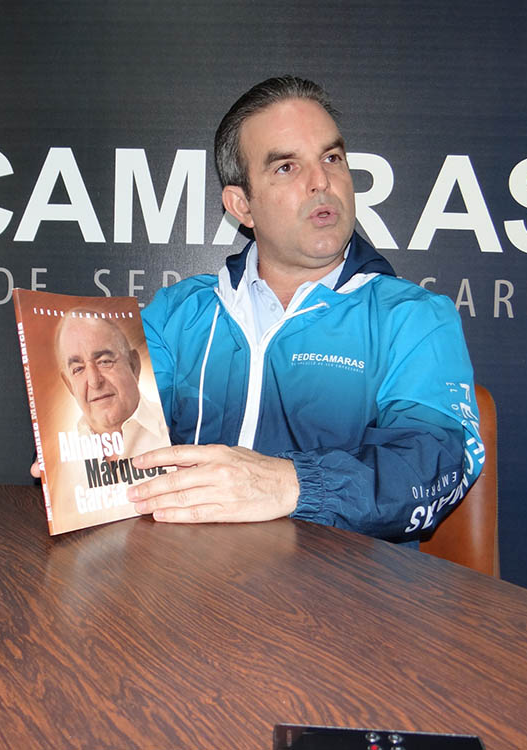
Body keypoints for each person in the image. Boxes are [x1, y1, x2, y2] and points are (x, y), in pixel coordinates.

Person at [124, 76, 484, 543]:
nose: (322, 182)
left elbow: (432, 463)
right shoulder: (176, 314)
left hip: (342, 585)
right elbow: (122, 429)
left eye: (331, 158)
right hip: (186, 577)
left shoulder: (414, 318)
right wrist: (80, 458)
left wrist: (291, 484)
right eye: (287, 167)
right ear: (241, 205)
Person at [54, 313, 169, 459]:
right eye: (78, 369)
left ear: (134, 365)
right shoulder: (58, 458)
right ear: (70, 385)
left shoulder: (175, 431)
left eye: (104, 361)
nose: (94, 382)